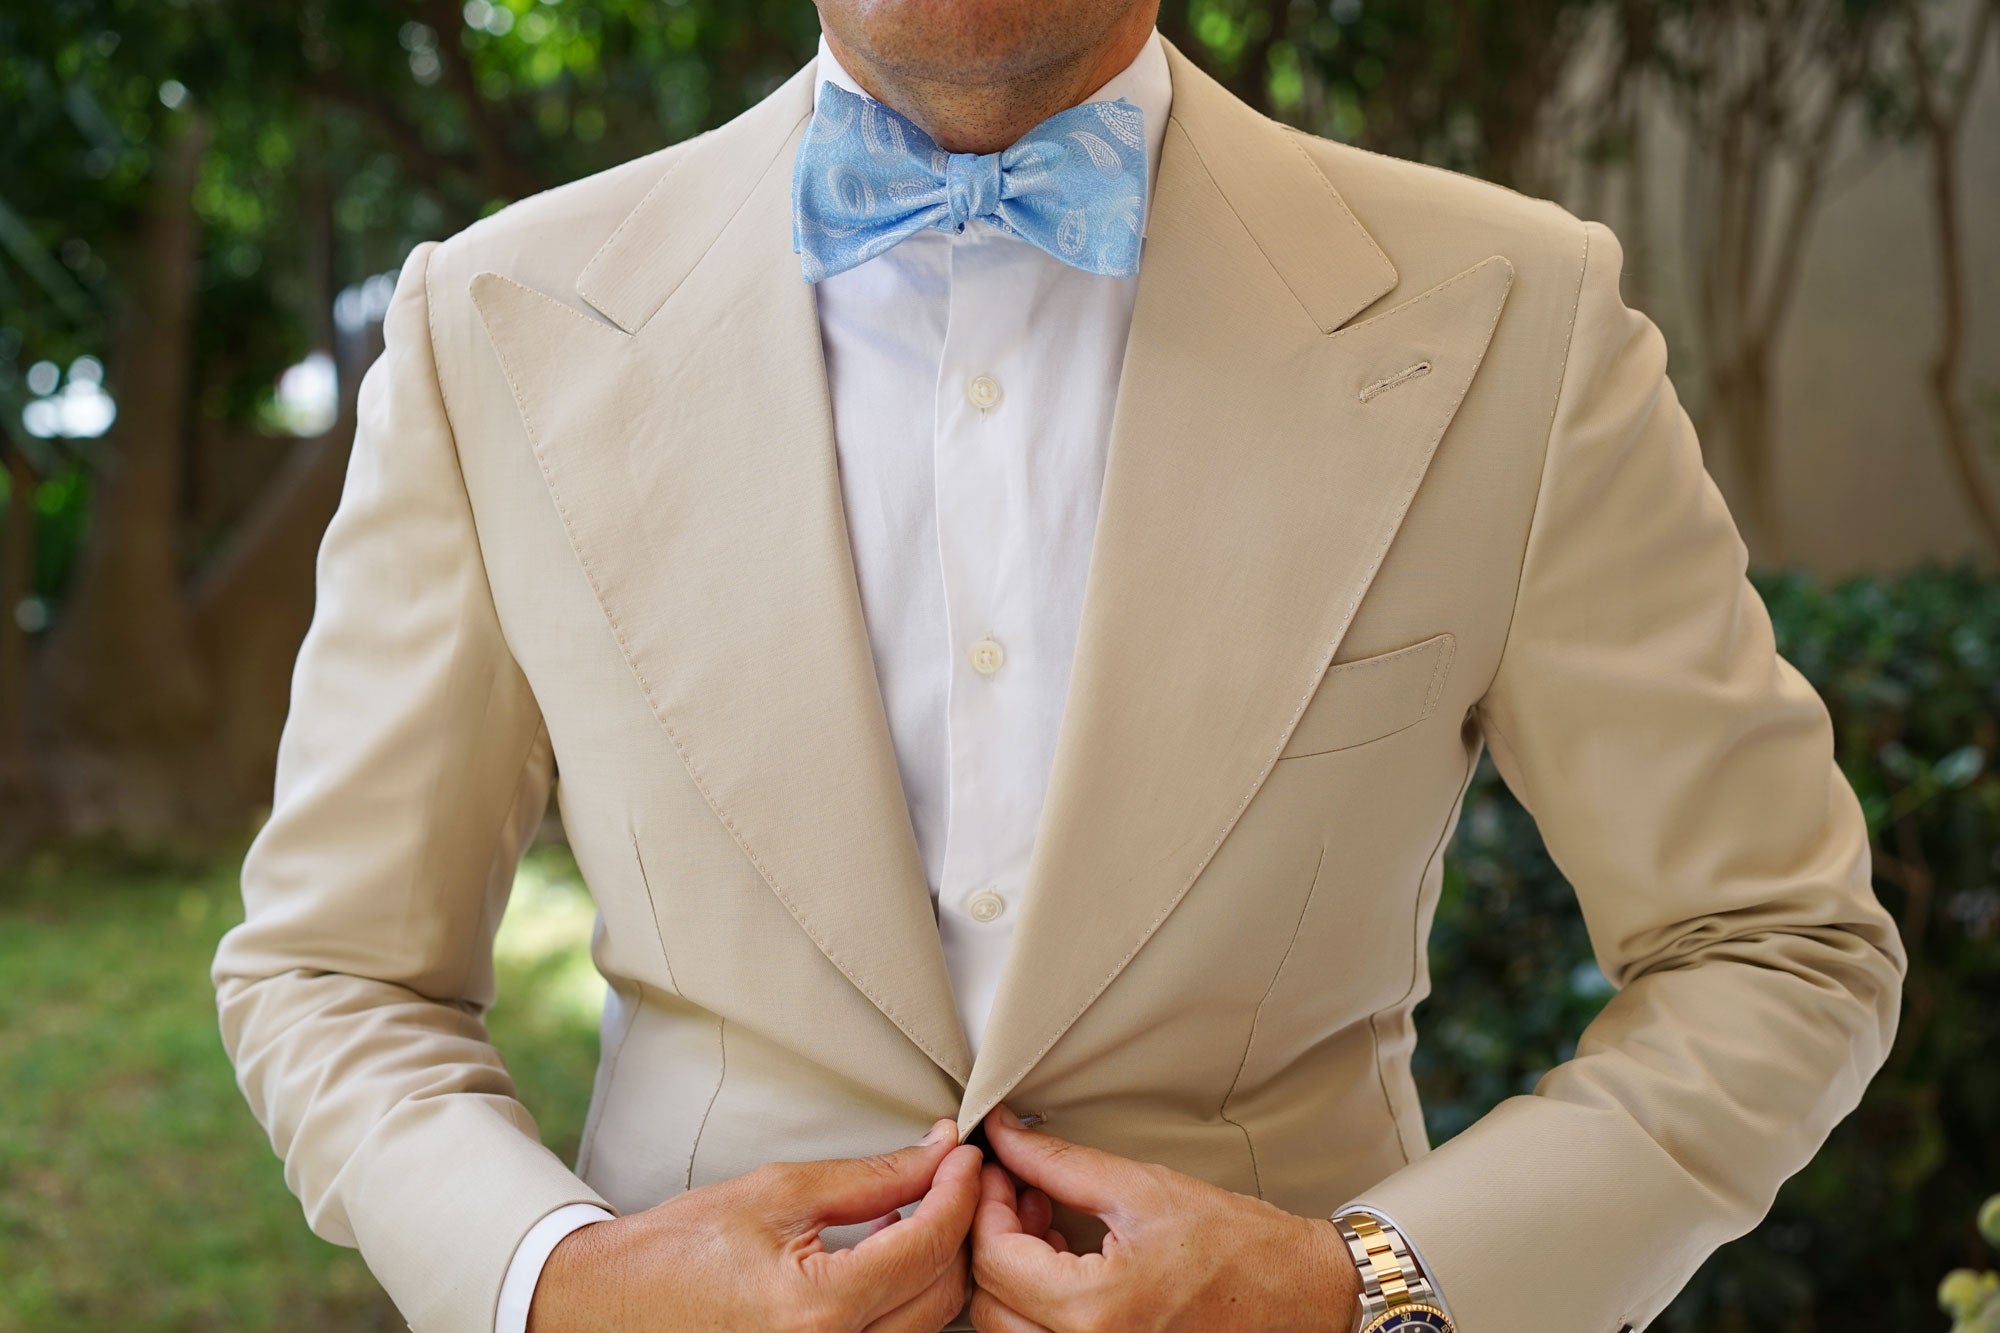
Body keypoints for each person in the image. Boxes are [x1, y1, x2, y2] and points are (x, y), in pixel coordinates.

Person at [210, 0, 1908, 1330]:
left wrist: (1373, 1291)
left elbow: (1775, 945)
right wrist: (555, 1286)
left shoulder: (1516, 316)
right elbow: (334, 974)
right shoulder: (490, 320)